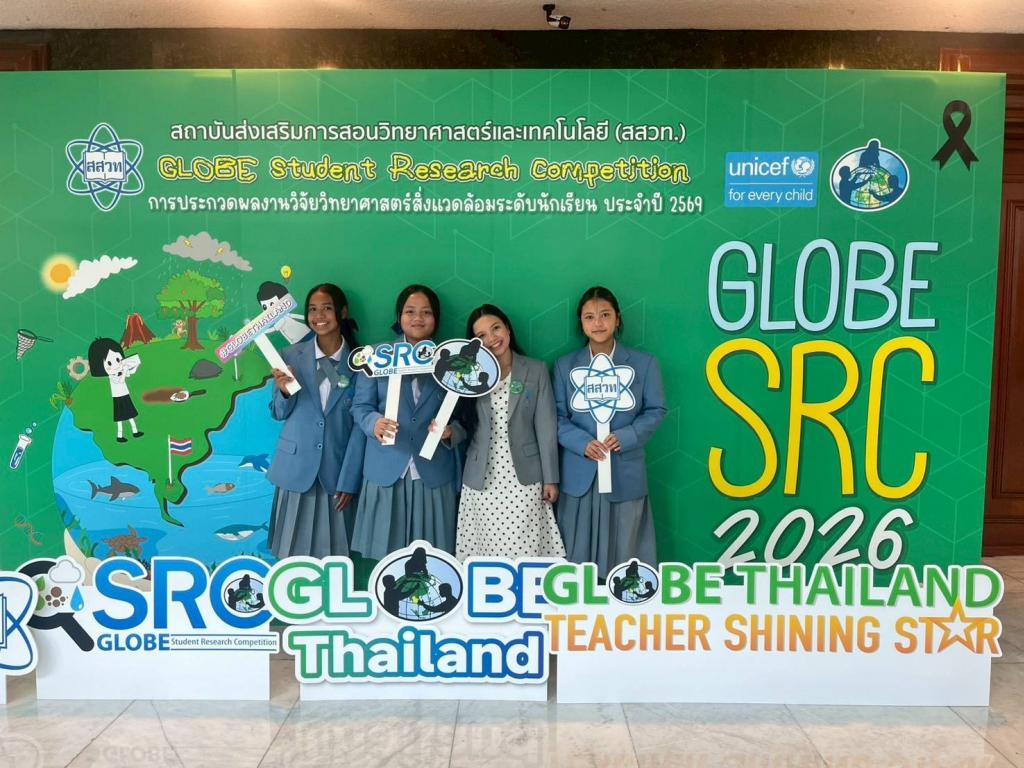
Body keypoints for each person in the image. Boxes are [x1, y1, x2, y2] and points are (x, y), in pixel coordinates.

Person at [554, 286, 667, 578]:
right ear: (581, 322)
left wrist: (627, 436)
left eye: (605, 315)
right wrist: (582, 443)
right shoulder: (565, 366)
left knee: (625, 554)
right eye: (589, 317)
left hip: (623, 471)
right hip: (580, 474)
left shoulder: (644, 364)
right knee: (577, 560)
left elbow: (656, 409)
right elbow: (556, 417)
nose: (598, 323)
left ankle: (623, 601)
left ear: (617, 318)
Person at [350, 285, 463, 559]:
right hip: (386, 469)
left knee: (433, 558)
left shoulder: (453, 361)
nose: (418, 318)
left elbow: (468, 417)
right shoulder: (376, 356)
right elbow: (360, 406)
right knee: (386, 557)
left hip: (433, 471)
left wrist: (452, 432)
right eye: (410, 311)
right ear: (399, 316)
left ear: (436, 318)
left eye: (426, 312)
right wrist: (374, 423)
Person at [456, 304, 564, 560]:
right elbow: (465, 425)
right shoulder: (468, 374)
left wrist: (551, 479)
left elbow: (546, 427)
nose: (492, 338)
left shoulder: (535, 370)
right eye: (481, 335)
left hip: (525, 477)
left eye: (496, 328)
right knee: (487, 551)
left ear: (508, 329)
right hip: (481, 477)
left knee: (525, 548)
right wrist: (448, 433)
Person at [266, 283, 364, 558]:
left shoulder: (360, 363)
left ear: (342, 312)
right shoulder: (290, 356)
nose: (319, 316)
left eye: (327, 308)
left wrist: (350, 479)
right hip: (295, 469)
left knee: (335, 557)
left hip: (337, 473)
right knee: (290, 556)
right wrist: (284, 391)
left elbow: (360, 427)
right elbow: (278, 413)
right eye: (312, 309)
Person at [86, 337, 143, 443]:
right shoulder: (112, 376)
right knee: (120, 418)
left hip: (125, 395)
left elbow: (131, 373)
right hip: (118, 398)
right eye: (109, 363)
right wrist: (124, 370)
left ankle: (135, 431)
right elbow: (120, 380)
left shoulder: (121, 370)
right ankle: (119, 435)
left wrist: (136, 365)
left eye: (118, 360)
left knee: (131, 415)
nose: (116, 365)